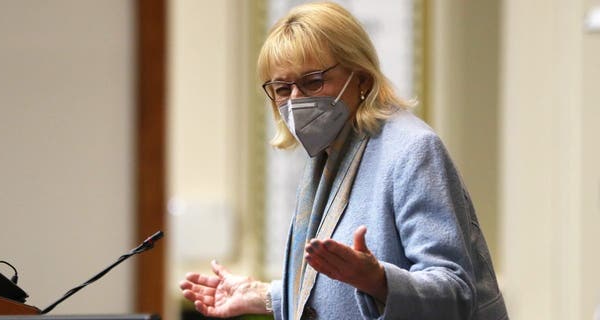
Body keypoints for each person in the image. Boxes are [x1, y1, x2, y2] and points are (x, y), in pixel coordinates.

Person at [179, 2, 508, 319]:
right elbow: (334, 287)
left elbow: (456, 293)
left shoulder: (413, 150)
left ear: (362, 79)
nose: (295, 101)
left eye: (312, 82)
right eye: (282, 88)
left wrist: (378, 280)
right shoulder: (332, 152)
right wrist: (263, 295)